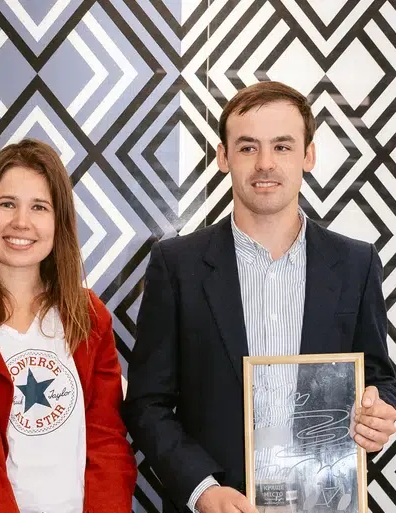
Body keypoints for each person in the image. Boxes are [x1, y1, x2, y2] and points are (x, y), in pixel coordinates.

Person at [122, 80, 396, 513]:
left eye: (282, 146)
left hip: (326, 501)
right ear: (223, 156)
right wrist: (202, 490)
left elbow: (380, 380)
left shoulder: (356, 264)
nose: (265, 163)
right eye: (248, 147)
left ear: (308, 155)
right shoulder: (176, 265)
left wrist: (380, 415)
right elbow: (146, 403)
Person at [0, 138, 137, 513]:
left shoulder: (89, 314)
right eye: (6, 204)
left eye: (39, 207)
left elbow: (108, 440)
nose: (21, 221)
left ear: (59, 221)